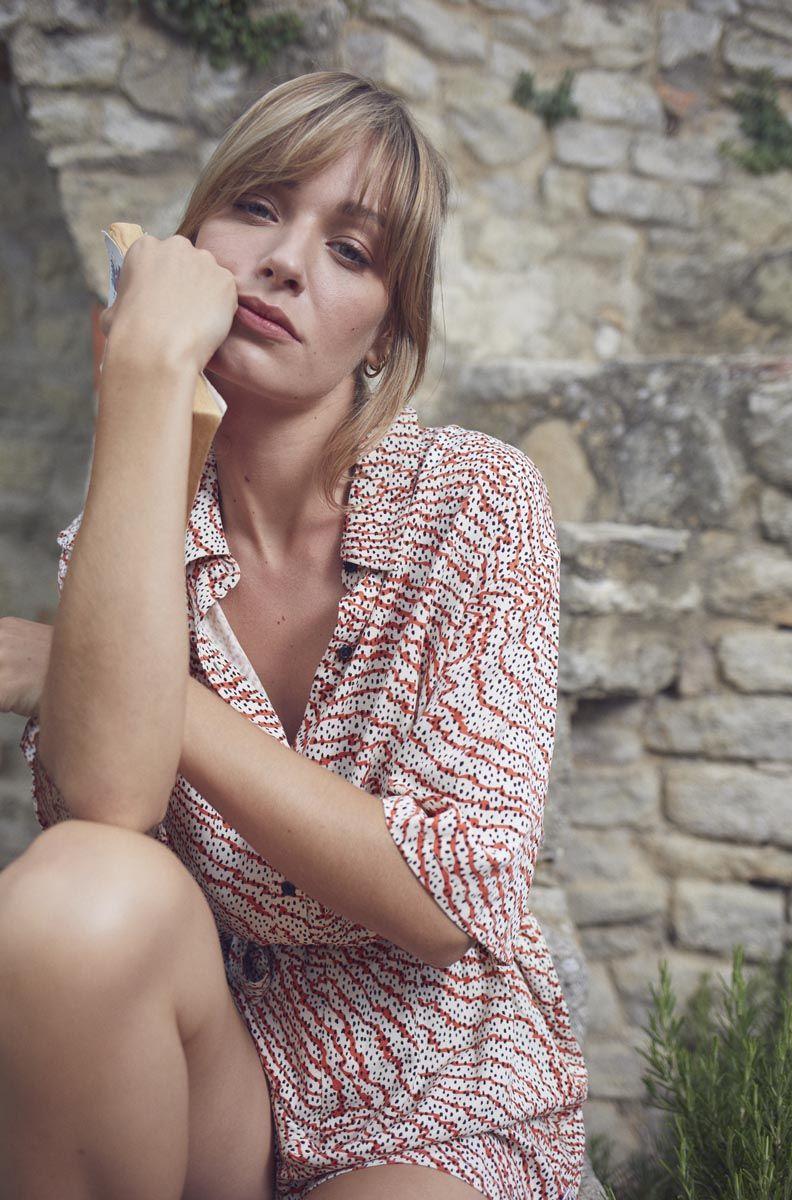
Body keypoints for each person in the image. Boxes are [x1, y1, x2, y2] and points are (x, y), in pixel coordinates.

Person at [0, 71, 588, 1200]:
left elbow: (451, 897)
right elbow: (107, 812)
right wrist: (144, 380)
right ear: (185, 250)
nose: (283, 262)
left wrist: (92, 676)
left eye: (351, 252)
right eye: (258, 207)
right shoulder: (128, 527)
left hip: (437, 1098)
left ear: (386, 329)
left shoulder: (473, 501)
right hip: (209, 1084)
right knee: (77, 891)